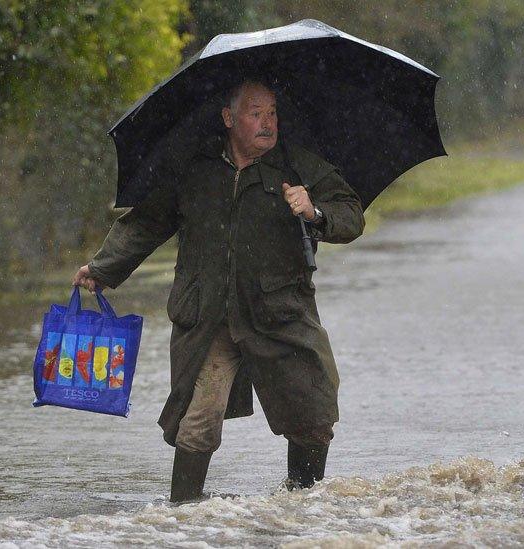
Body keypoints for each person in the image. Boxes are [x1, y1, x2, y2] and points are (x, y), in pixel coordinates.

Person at [72, 78, 365, 502]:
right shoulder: (193, 167)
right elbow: (147, 222)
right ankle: (183, 514)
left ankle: (303, 506)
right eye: (255, 113)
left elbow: (351, 215)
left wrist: (314, 211)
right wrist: (102, 269)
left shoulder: (298, 166)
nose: (267, 123)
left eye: (272, 113)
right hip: (208, 315)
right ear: (228, 118)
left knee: (312, 414)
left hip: (280, 312)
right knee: (197, 420)